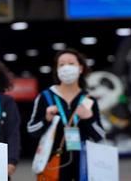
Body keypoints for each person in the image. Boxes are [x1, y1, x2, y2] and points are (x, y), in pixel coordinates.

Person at [27, 49, 105, 181]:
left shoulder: (88, 99)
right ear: (57, 69)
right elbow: (32, 130)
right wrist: (46, 119)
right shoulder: (46, 96)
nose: (66, 67)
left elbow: (100, 136)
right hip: (53, 161)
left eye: (71, 63)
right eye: (61, 64)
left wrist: (89, 118)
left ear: (80, 68)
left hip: (83, 164)